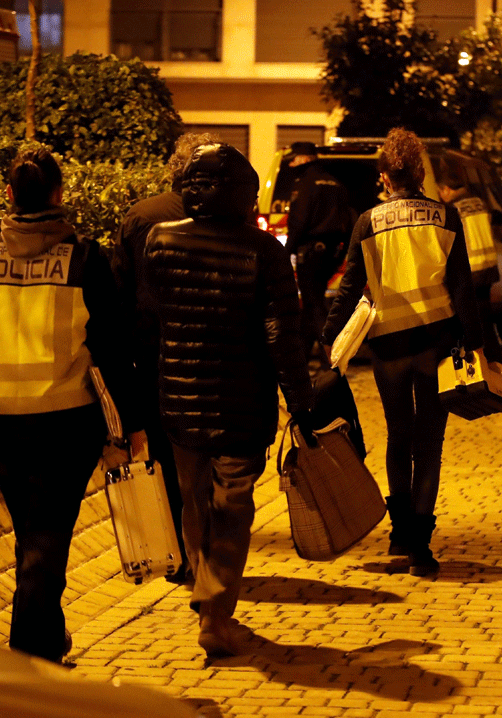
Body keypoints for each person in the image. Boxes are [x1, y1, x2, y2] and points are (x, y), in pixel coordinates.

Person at [0, 148, 146, 663]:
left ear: (8, 195)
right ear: (57, 195)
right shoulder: (84, 260)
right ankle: (29, 652)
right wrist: (132, 425)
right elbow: (113, 351)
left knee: (32, 536)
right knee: (47, 537)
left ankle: (45, 640)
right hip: (65, 426)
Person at [139, 143, 315, 658]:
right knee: (232, 505)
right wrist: (299, 399)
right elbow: (283, 333)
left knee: (194, 500)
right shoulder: (265, 252)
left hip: (179, 396)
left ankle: (206, 593)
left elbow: (149, 317)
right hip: (243, 401)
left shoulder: (160, 241)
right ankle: (215, 608)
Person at [322, 128, 484, 577]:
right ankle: (421, 547)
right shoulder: (446, 216)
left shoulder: (367, 222)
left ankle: (400, 533)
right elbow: (463, 289)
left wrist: (326, 338)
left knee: (398, 436)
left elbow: (349, 286)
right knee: (429, 444)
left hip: (388, 347)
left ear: (385, 177)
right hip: (435, 345)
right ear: (418, 173)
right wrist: (480, 344)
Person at [111, 132, 217, 585]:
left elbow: (117, 296)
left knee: (172, 457)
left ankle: (183, 550)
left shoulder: (141, 216)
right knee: (211, 456)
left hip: (154, 355)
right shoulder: (226, 215)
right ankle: (211, 550)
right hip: (214, 355)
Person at [285, 141, 357, 359]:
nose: (291, 164)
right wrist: (342, 254)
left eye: (294, 159)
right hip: (333, 252)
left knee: (314, 304)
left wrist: (286, 250)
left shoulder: (304, 184)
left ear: (305, 159)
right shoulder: (337, 184)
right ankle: (302, 355)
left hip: (311, 252)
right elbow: (349, 221)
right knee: (311, 301)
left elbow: (298, 222)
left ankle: (331, 354)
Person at [437, 169, 502, 363]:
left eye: (441, 192)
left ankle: (485, 372)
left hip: (470, 272)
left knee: (471, 327)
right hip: (488, 269)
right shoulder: (480, 203)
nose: (441, 196)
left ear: (447, 189)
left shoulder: (453, 209)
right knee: (487, 325)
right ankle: (496, 369)